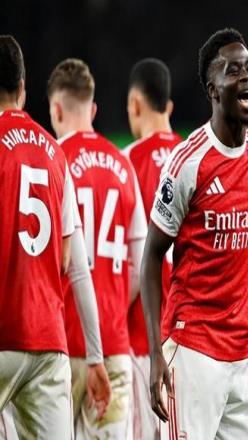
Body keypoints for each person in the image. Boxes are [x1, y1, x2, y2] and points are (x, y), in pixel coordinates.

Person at [140, 28, 248, 440]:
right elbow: (151, 257)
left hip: (242, 354)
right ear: (213, 90)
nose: (247, 76)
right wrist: (155, 351)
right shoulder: (187, 162)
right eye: (233, 70)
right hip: (193, 350)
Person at [0, 34, 104, 439]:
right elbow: (70, 263)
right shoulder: (55, 153)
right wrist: (94, 355)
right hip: (48, 340)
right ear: (23, 88)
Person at [47, 58, 148, 439]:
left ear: (57, 110)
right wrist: (112, 305)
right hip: (113, 346)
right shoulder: (124, 166)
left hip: (58, 346)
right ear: (92, 110)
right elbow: (139, 265)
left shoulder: (51, 160)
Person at [123, 57, 182, 439]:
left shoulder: (125, 162)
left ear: (134, 105)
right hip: (188, 339)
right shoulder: (193, 158)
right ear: (169, 107)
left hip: (139, 338)